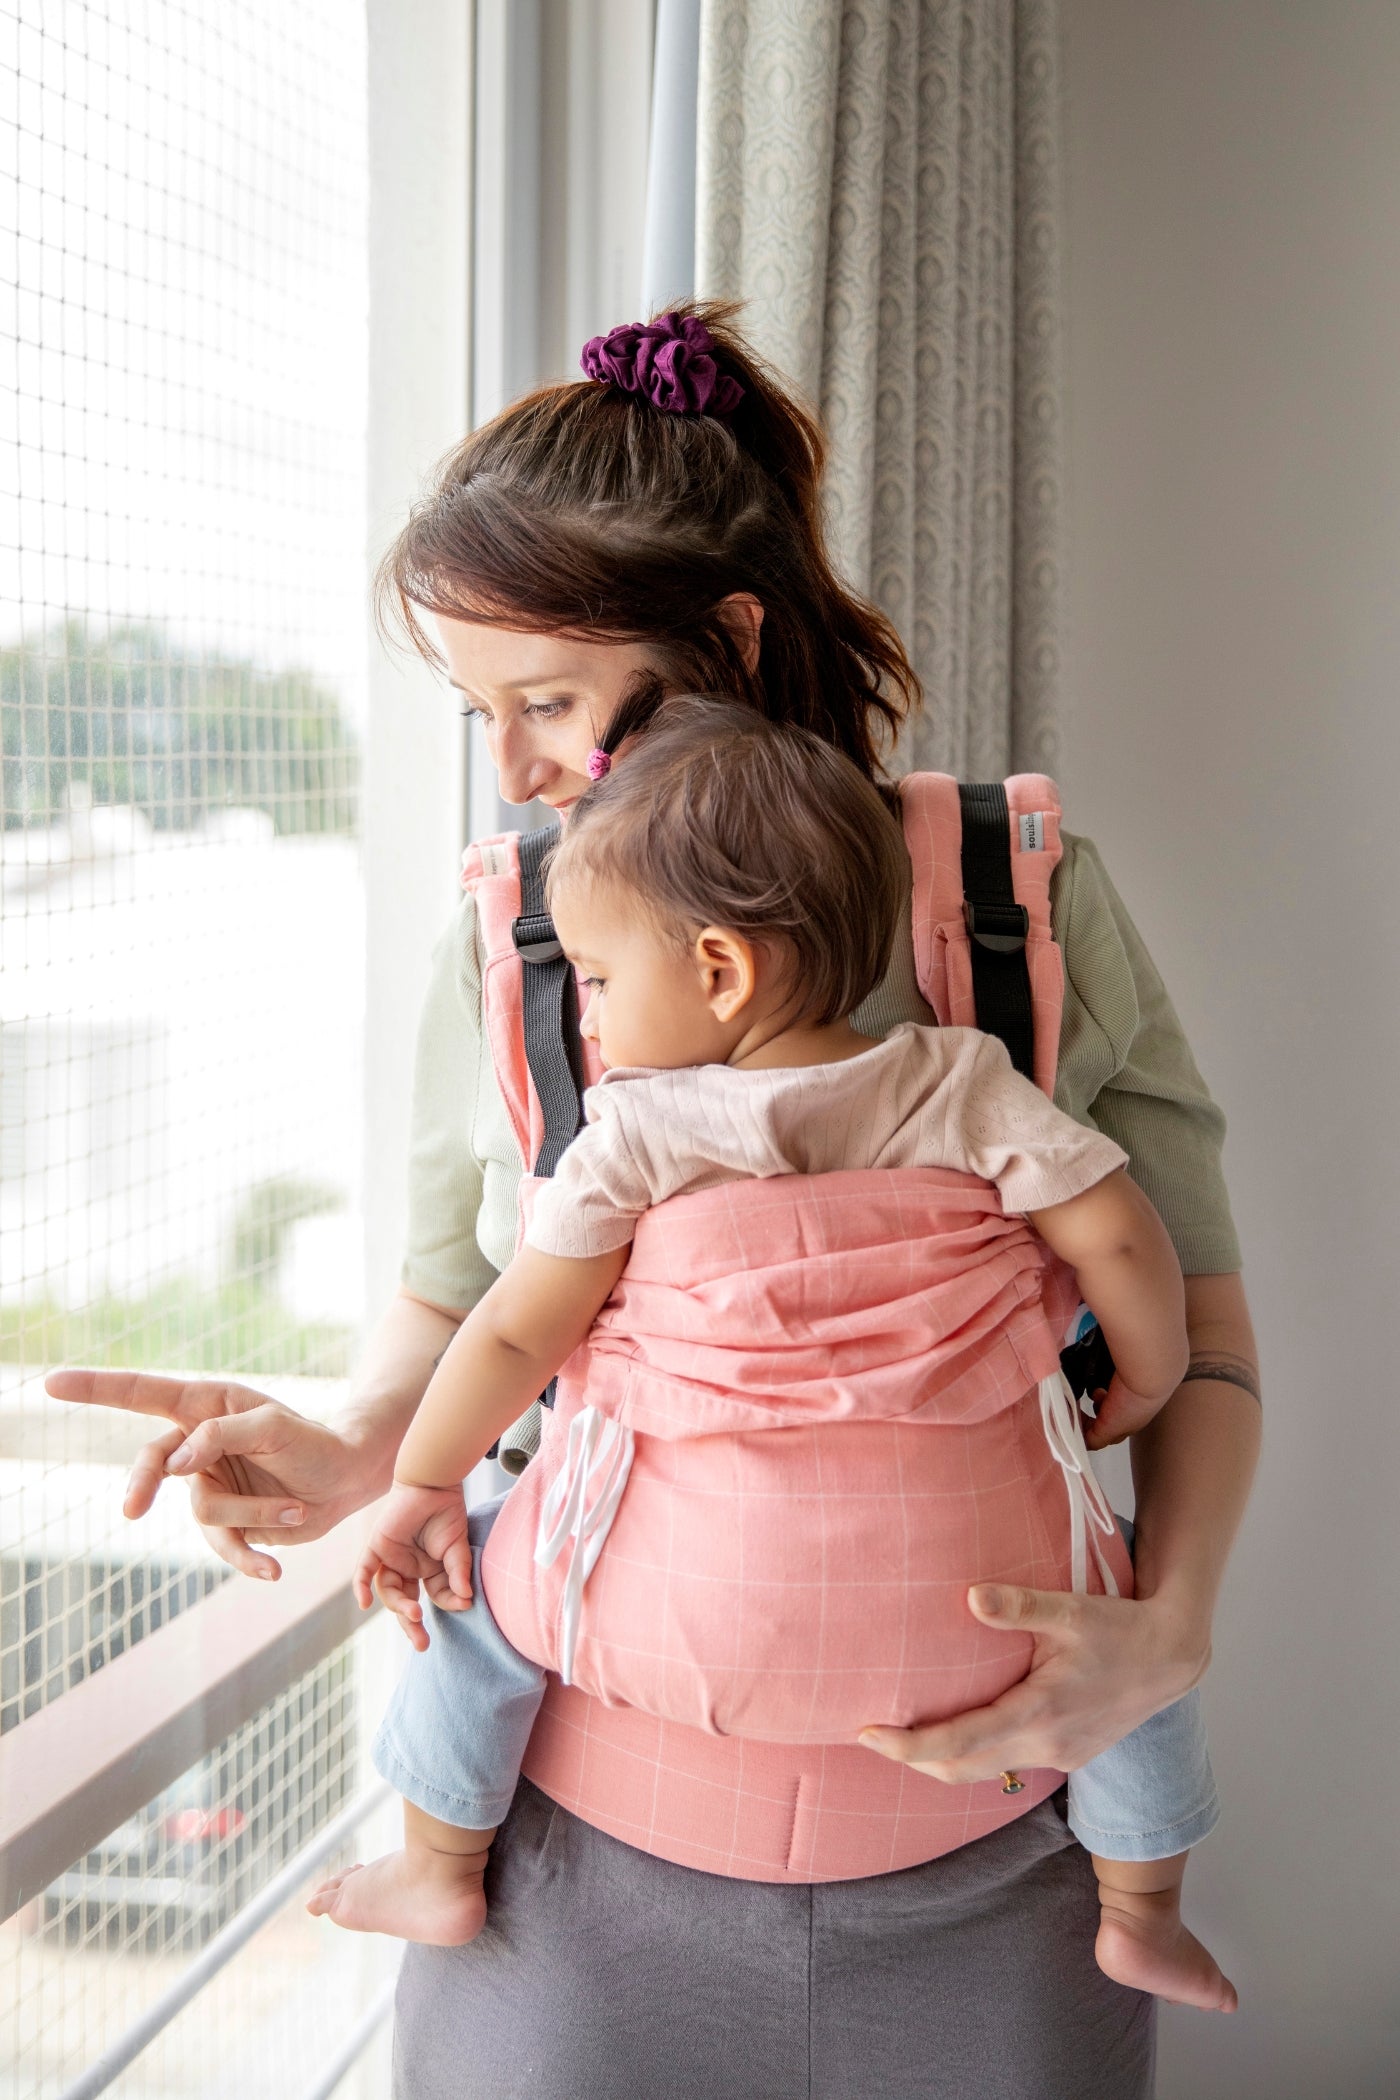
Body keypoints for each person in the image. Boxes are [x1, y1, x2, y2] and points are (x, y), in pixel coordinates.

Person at [50, 307, 1261, 2099]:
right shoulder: (519, 944)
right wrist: (361, 1450)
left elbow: (1201, 1336)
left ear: (729, 645)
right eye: (480, 714)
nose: (514, 769)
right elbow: (463, 1304)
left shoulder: (1023, 907)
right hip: (571, 1904)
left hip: (1005, 1884)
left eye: (545, 701)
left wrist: (1173, 1623)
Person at [304, 695, 1232, 2014]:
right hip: (989, 1625)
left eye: (603, 980)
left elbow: (513, 1327)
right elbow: (1123, 1236)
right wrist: (1145, 1373)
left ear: (720, 971)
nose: (594, 1017)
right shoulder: (964, 1081)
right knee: (1138, 1637)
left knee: (472, 1605)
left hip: (677, 1629)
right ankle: (1143, 1905)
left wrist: (419, 1481)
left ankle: (438, 1862)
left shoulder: (635, 1135)